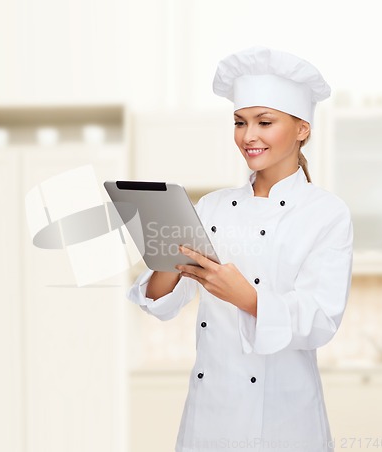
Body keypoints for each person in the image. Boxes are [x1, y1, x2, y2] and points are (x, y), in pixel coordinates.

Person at [127, 46, 353, 452]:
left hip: (285, 420)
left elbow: (320, 319)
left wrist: (247, 297)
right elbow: (161, 302)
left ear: (302, 128)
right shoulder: (212, 206)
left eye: (265, 122)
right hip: (209, 419)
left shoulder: (326, 214)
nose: (249, 136)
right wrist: (169, 257)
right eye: (239, 122)